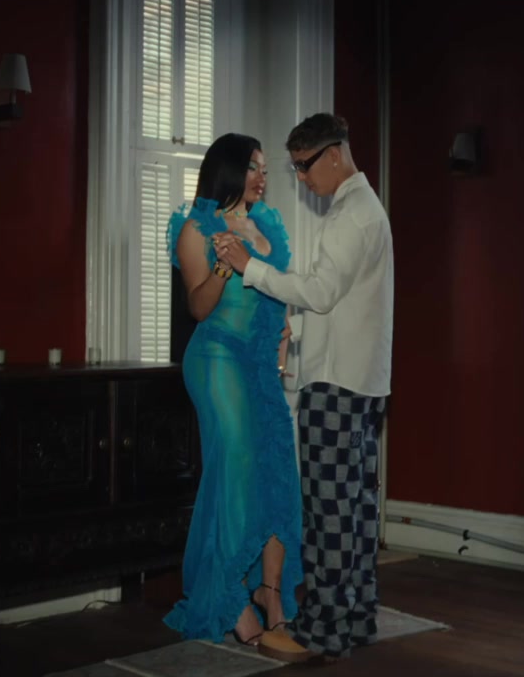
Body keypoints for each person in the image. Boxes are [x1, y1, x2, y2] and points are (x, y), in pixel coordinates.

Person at [218, 114, 394, 663]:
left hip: (337, 386)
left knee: (327, 515)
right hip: (363, 381)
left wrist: (250, 267)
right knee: (356, 511)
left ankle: (320, 630)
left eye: (303, 166)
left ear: (334, 154)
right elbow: (340, 299)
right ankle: (356, 619)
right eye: (293, 167)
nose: (299, 178)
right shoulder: (363, 209)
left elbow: (319, 292)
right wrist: (297, 325)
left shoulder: (350, 215)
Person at [163, 132, 303, 647]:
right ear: (228, 170)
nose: (262, 177)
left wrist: (283, 339)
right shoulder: (197, 228)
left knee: (279, 470)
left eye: (265, 168)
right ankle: (229, 598)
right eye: (253, 167)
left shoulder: (267, 224)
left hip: (260, 364)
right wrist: (225, 264)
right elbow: (199, 308)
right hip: (217, 358)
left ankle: (271, 591)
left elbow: (276, 292)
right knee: (238, 469)